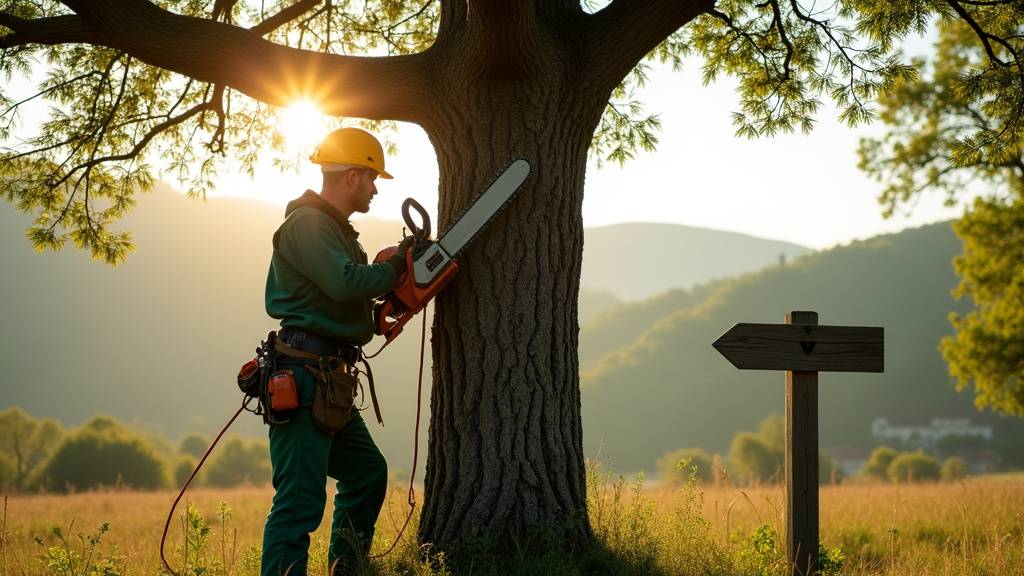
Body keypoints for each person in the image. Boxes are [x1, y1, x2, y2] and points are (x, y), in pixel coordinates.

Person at [261, 127, 407, 576]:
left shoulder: (335, 229)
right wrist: (399, 266)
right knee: (299, 503)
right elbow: (345, 282)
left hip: (331, 379)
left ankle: (347, 568)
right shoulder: (307, 224)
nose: (375, 188)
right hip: (304, 379)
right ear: (351, 177)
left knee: (366, 474)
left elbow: (345, 292)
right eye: (371, 178)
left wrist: (386, 296)